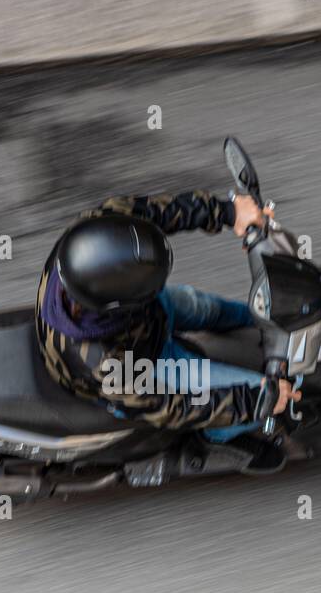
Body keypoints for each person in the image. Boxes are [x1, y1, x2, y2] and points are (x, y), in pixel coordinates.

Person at [34, 190, 299, 447]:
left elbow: (156, 211)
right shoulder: (102, 365)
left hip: (146, 318)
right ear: (121, 303)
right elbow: (170, 406)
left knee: (205, 308)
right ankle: (214, 439)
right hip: (146, 365)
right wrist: (252, 402)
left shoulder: (90, 233)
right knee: (260, 398)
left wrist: (228, 212)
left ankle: (260, 320)